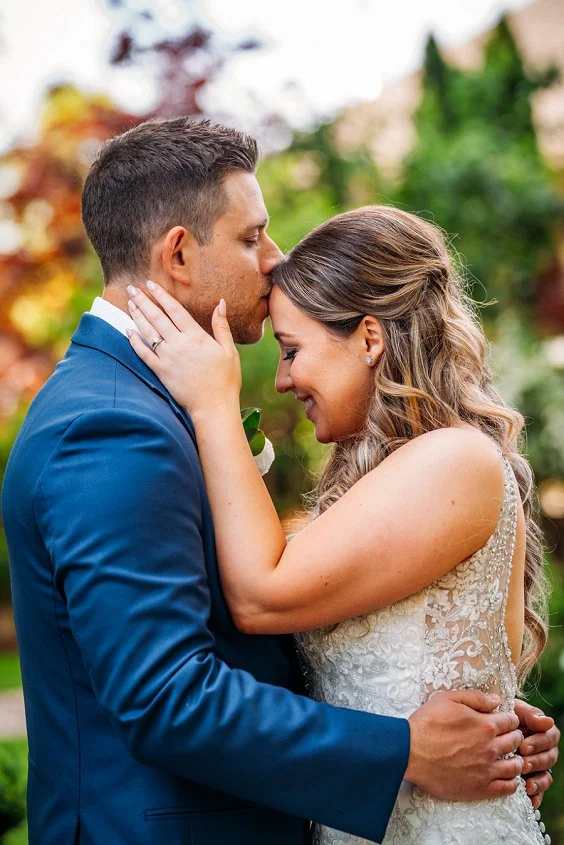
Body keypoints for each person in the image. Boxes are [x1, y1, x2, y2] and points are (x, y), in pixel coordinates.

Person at [1, 118, 557, 845]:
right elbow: (167, 695)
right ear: (177, 253)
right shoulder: (109, 425)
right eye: (252, 236)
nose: (275, 258)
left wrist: (482, 713)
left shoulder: (155, 406)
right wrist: (407, 748)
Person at [126, 201, 559, 844]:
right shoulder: (392, 478)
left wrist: (214, 403)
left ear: (369, 338)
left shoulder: (456, 458)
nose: (280, 380)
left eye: (292, 350)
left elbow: (260, 595)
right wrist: (503, 729)